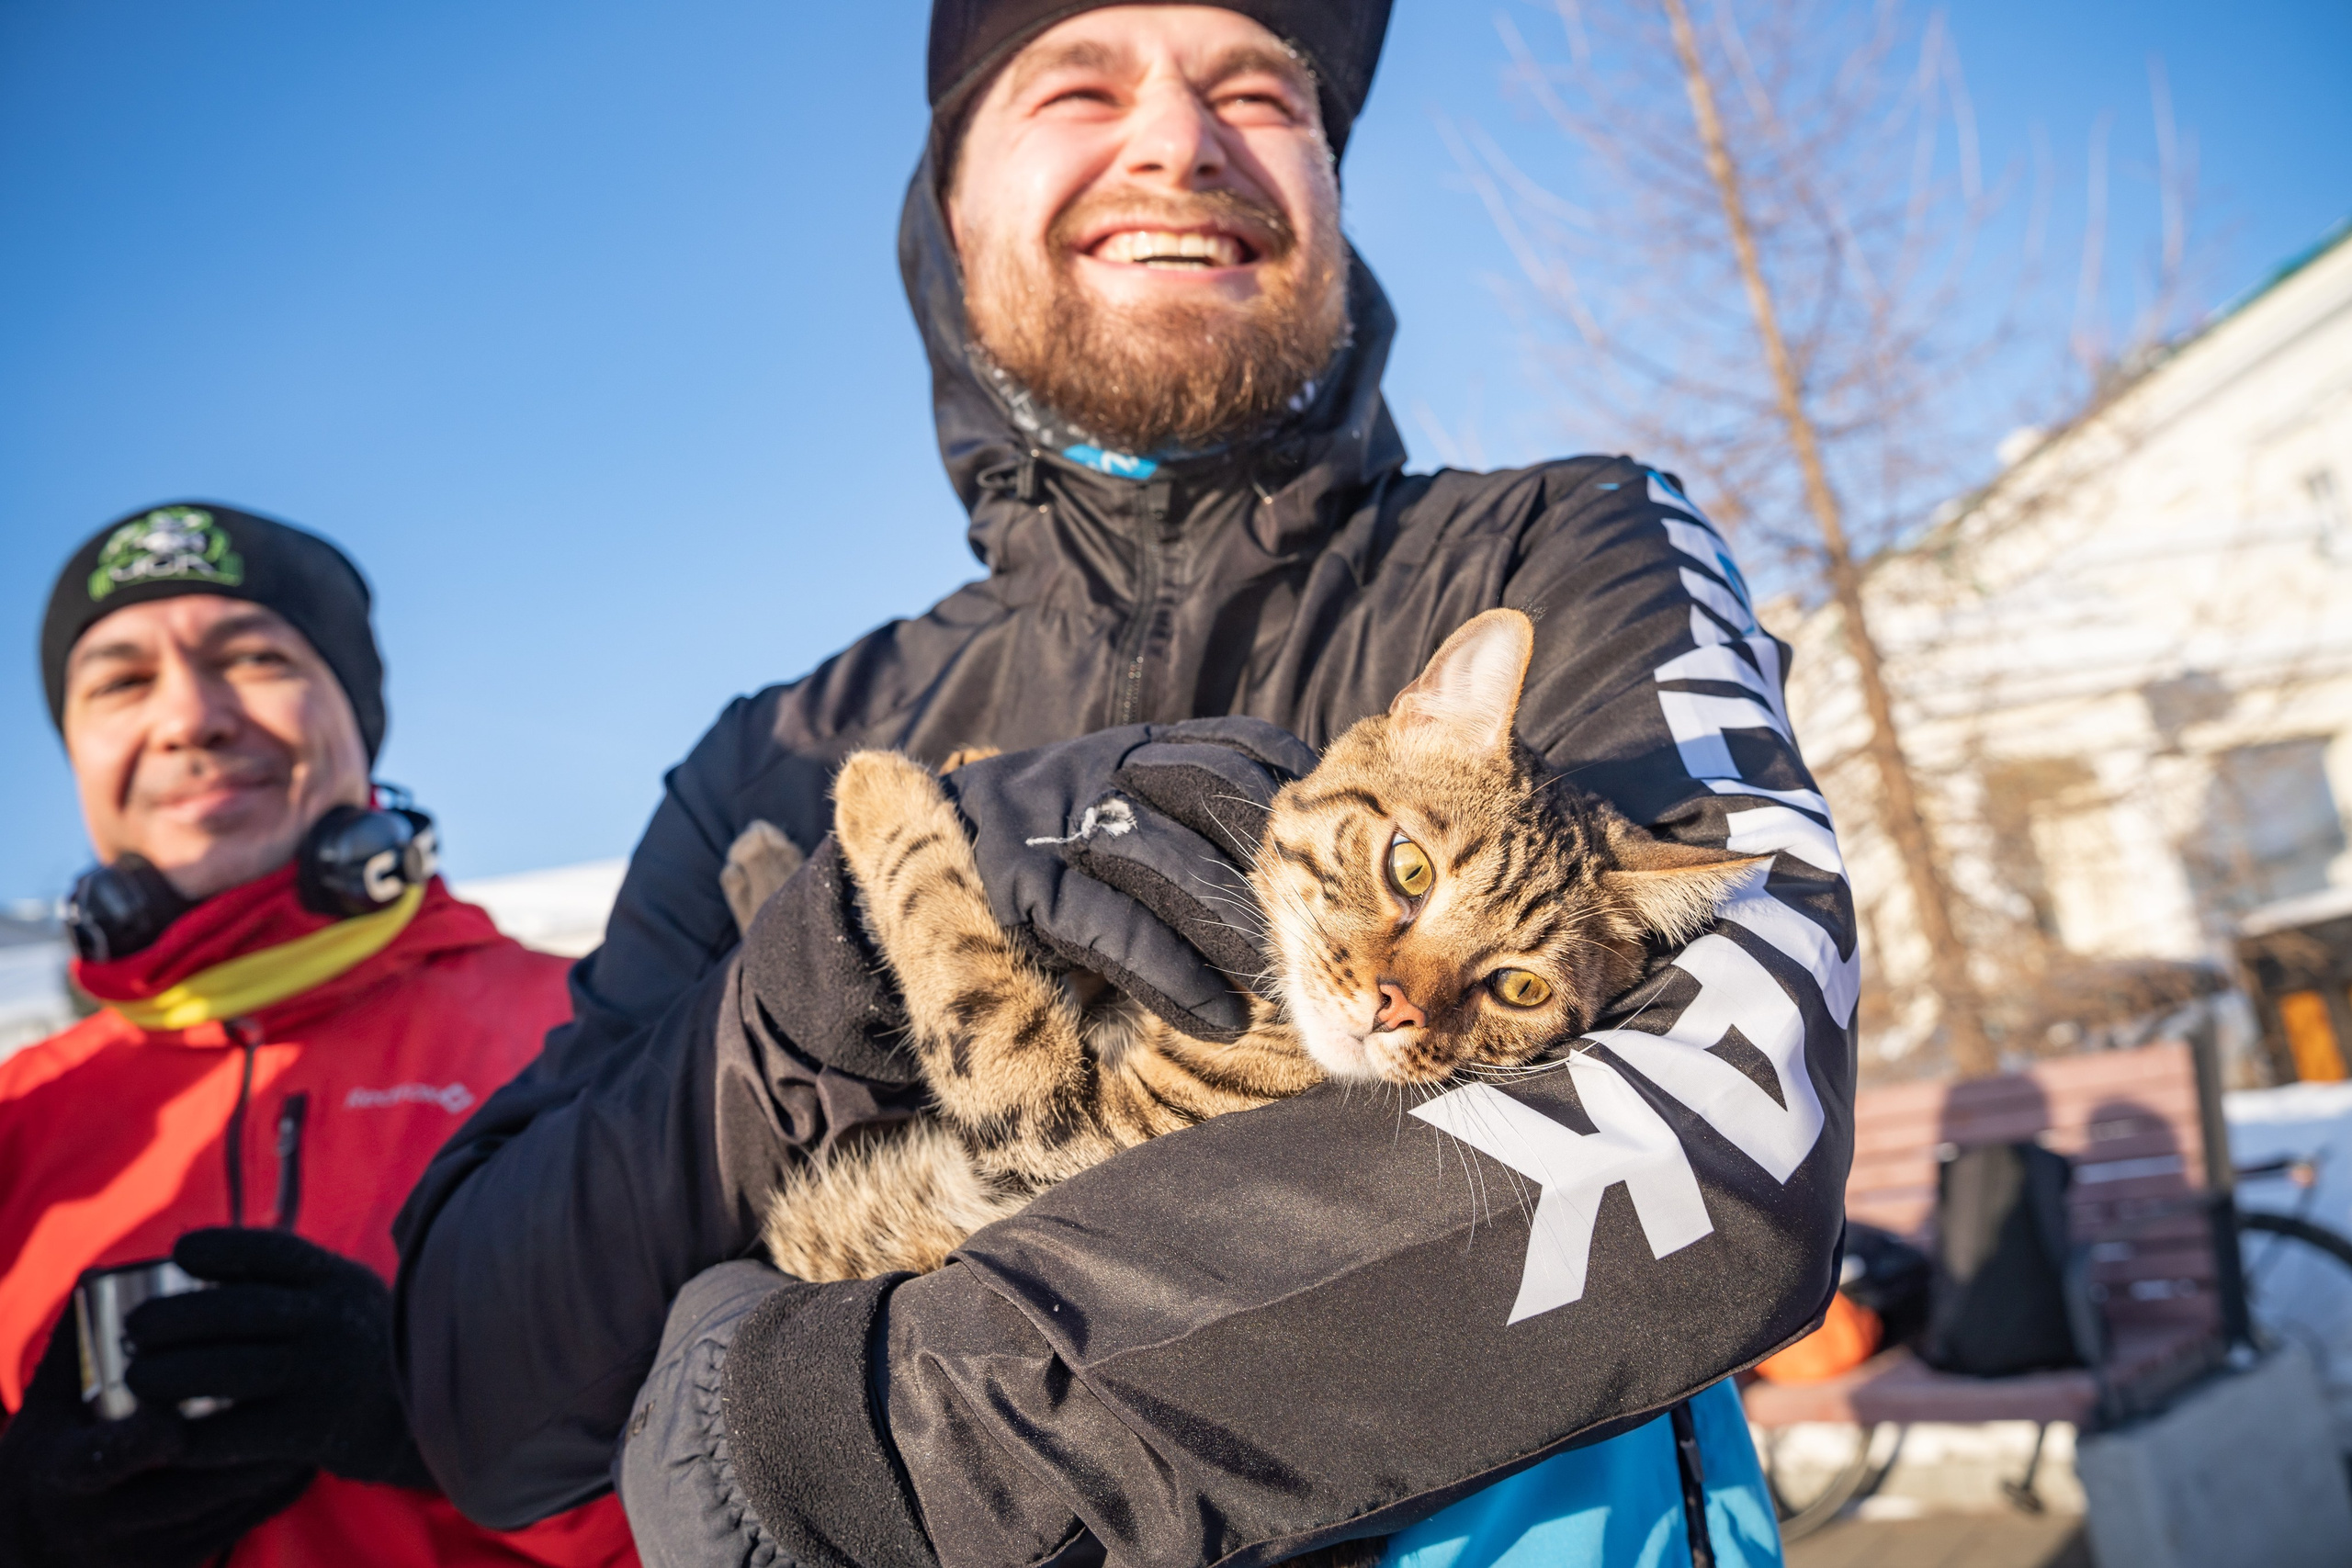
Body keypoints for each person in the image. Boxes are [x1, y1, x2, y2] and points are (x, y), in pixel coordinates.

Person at [394, 4, 1853, 1564]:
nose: (1176, 140)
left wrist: (859, 1437)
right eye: (1081, 83)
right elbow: (483, 1402)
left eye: (1255, 90)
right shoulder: (772, 752)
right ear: (948, 200)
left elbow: (1730, 1114)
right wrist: (794, 995)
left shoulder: (1560, 549)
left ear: (1331, 191)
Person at [0, 503, 639, 1568]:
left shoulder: (589, 1038)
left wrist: (443, 1422)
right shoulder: (22, 1124)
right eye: (119, 680)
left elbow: (769, 1494)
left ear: (356, 715)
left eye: (251, 657)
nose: (190, 717)